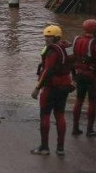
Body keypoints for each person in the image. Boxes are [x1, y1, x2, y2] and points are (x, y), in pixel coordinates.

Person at [31, 24, 74, 156]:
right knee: (60, 114)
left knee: (45, 115)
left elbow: (47, 71)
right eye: (45, 37)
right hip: (64, 86)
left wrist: (37, 88)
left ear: (56, 37)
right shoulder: (68, 47)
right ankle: (60, 149)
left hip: (51, 88)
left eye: (49, 37)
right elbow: (73, 63)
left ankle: (44, 148)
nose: (46, 40)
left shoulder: (52, 51)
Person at [71, 19, 96, 137]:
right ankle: (89, 130)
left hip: (79, 74)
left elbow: (72, 59)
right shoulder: (95, 43)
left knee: (79, 100)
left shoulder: (77, 40)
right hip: (92, 76)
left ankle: (75, 128)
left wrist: (73, 75)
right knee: (92, 102)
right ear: (95, 30)